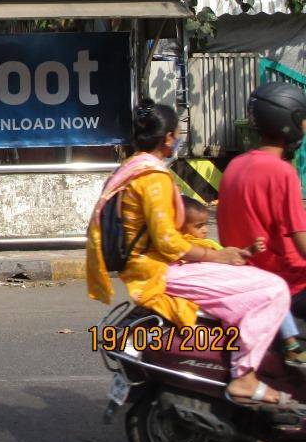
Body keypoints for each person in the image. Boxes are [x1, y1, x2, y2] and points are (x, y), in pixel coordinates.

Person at [87, 98, 300, 409]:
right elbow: (168, 243)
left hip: (151, 267)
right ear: (168, 138)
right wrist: (218, 256)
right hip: (159, 272)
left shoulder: (131, 168)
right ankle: (245, 376)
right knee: (274, 289)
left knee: (250, 283)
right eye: (177, 134)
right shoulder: (152, 178)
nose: (178, 140)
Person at [182, 195, 306, 367]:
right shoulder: (188, 248)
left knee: (275, 290)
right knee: (270, 294)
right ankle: (287, 345)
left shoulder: (206, 243)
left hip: (233, 279)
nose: (204, 230)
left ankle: (288, 343)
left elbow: (231, 257)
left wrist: (251, 251)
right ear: (181, 227)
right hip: (224, 286)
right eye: (198, 226)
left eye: (204, 225)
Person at [218, 82, 306, 318]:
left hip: (245, 276)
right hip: (287, 282)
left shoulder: (234, 165)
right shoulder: (282, 172)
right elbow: (302, 243)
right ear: (290, 120)